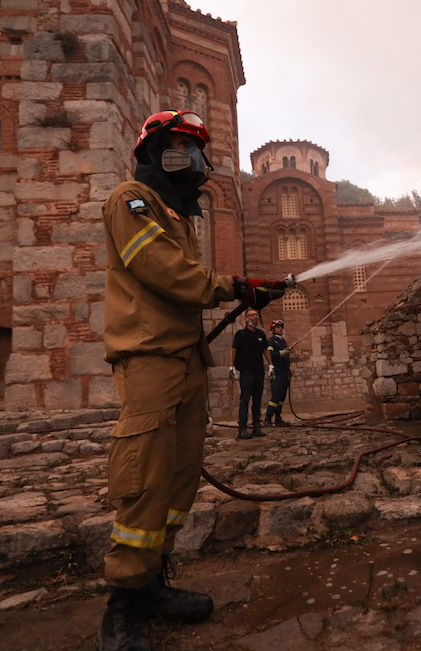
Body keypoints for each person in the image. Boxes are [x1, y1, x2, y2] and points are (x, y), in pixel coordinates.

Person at [100, 109, 268, 651]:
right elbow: (158, 267)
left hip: (186, 359)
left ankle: (153, 581)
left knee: (179, 477)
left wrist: (245, 290)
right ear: (154, 150)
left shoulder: (180, 215)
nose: (190, 158)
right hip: (149, 357)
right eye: (178, 146)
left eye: (195, 148)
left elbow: (188, 275)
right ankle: (122, 604)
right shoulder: (131, 199)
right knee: (146, 475)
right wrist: (231, 285)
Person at [229, 308, 273, 439]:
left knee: (257, 400)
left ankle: (256, 426)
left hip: (258, 371)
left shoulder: (260, 334)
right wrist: (231, 366)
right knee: (245, 400)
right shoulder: (241, 334)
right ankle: (242, 428)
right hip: (246, 372)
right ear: (246, 318)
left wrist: (270, 364)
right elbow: (234, 350)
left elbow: (265, 350)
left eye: (257, 315)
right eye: (252, 315)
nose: (255, 317)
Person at [264, 319, 292, 427]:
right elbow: (269, 355)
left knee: (281, 396)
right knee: (275, 396)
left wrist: (289, 370)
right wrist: (280, 353)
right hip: (277, 372)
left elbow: (286, 358)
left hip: (284, 372)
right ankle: (268, 417)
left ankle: (278, 418)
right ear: (273, 329)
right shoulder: (271, 341)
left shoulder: (283, 341)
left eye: (281, 327)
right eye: (277, 327)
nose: (280, 329)